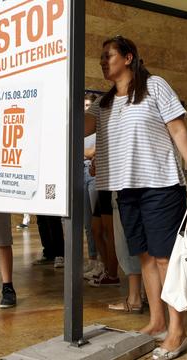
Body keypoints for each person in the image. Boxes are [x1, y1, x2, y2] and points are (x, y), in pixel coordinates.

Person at [85, 35, 187, 359]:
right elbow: (80, 126)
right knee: (145, 257)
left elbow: (178, 130)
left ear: (128, 57)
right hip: (126, 189)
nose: (102, 60)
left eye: (108, 55)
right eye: (101, 56)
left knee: (165, 258)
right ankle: (156, 321)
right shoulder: (106, 103)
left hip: (161, 185)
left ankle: (178, 331)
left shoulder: (155, 86)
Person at [83, 93, 101, 274]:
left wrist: (86, 152)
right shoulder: (83, 127)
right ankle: (92, 260)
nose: (86, 107)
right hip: (80, 172)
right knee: (87, 223)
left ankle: (103, 263)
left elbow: (91, 152)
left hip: (94, 173)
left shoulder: (97, 126)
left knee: (99, 223)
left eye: (89, 105)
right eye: (84, 104)